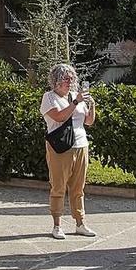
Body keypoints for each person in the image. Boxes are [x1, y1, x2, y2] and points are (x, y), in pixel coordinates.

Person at [40, 63, 96, 241]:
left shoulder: (75, 96)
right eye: (66, 78)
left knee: (78, 187)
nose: (70, 81)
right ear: (56, 81)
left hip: (81, 144)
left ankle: (80, 223)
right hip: (60, 147)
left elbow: (88, 122)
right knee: (58, 186)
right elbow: (59, 117)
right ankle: (57, 224)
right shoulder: (49, 97)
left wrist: (91, 105)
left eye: (71, 78)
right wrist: (75, 102)